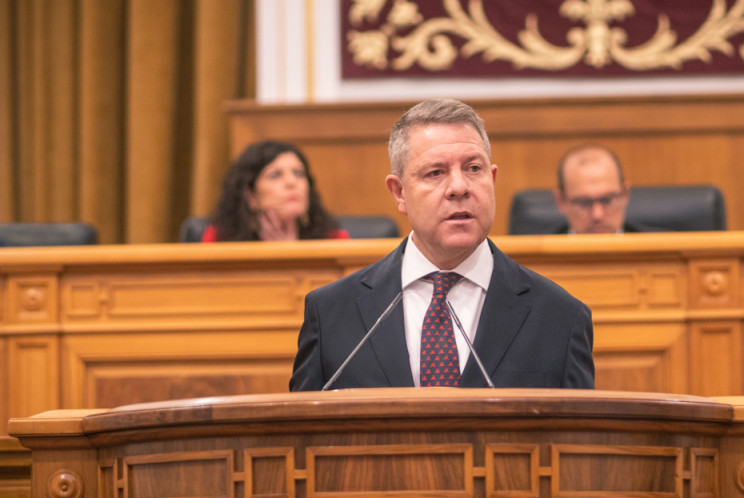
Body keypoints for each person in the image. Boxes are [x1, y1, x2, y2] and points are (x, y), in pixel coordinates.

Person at [290, 98, 594, 391]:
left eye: (474, 169)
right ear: (399, 192)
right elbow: (300, 436)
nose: (459, 187)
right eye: (435, 173)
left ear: (493, 178)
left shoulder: (560, 317)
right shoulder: (331, 313)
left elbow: (577, 438)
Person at [204, 140, 349, 242]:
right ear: (251, 196)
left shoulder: (334, 239)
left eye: (298, 173)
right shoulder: (220, 239)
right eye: (275, 175)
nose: (291, 182)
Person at [553, 144, 663, 234]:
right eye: (584, 203)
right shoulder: (539, 257)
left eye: (607, 200)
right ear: (561, 201)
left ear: (625, 194)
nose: (597, 215)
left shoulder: (666, 251)